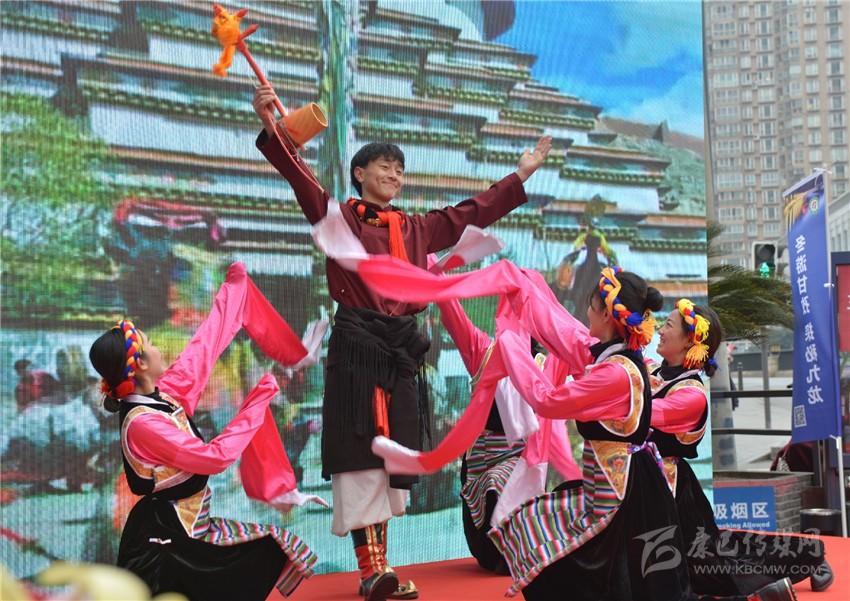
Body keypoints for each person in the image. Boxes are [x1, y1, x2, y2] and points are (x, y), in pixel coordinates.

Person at [253, 83, 551, 601]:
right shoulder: (340, 218)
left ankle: (381, 569)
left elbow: (471, 213)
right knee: (361, 453)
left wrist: (519, 176)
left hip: (402, 351)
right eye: (384, 167)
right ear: (359, 174)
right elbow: (299, 176)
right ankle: (372, 571)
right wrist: (272, 128)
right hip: (358, 346)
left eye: (399, 169)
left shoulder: (417, 228)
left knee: (392, 459)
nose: (394, 175)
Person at [356, 259, 799, 601]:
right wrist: (524, 290)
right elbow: (562, 331)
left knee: (672, 579)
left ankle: (777, 580)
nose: (583, 311)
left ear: (607, 315)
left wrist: (511, 345)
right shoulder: (612, 357)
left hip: (630, 492)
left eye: (590, 305)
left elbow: (549, 400)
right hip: (620, 483)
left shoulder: (626, 374)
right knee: (628, 575)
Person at [88, 262, 325, 601]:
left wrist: (236, 293)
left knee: (271, 547)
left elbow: (205, 347)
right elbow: (215, 457)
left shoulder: (164, 396)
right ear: (140, 364)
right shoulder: (144, 424)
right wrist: (262, 395)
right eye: (151, 344)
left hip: (190, 528)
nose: (158, 348)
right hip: (166, 545)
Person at [650, 299, 832, 595]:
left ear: (688, 341)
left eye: (668, 325)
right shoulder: (655, 374)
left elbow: (637, 413)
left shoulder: (690, 394)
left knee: (712, 569)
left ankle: (808, 557)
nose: (659, 330)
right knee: (712, 554)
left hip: (671, 489)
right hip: (656, 483)